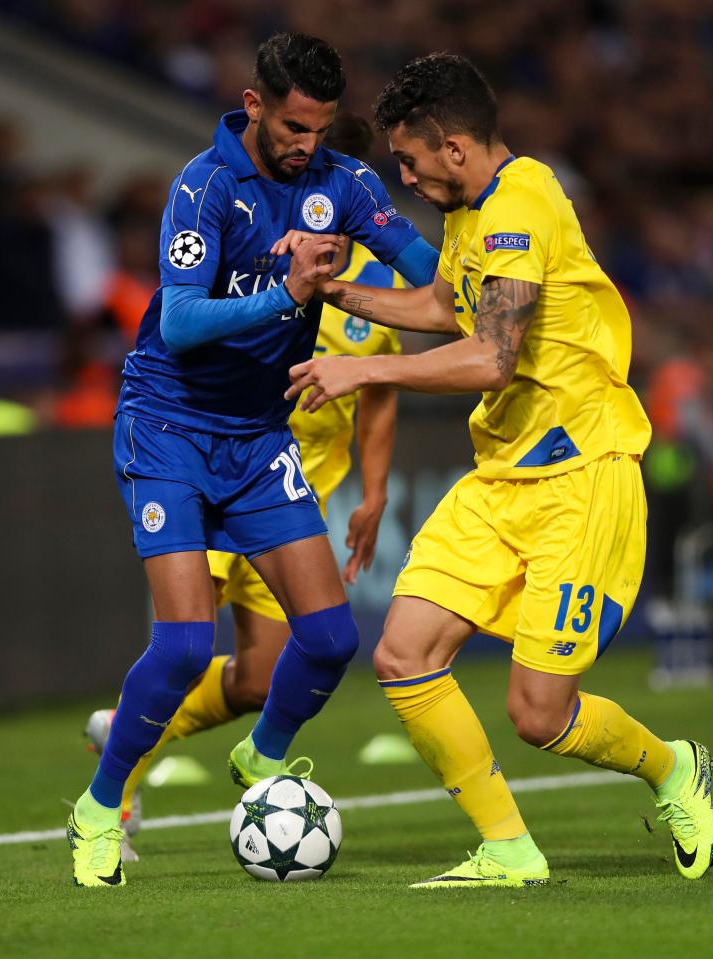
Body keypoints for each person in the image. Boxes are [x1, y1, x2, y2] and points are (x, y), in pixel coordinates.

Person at [286, 53, 713, 888]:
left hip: (582, 475)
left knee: (537, 713)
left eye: (409, 159)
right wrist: (334, 292)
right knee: (402, 650)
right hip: (502, 475)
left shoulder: (522, 202)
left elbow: (490, 355)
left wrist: (363, 369)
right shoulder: (469, 210)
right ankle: (509, 849)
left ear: (453, 147)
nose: (402, 176)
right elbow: (446, 309)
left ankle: (671, 767)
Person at [67, 34, 438, 888]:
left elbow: (429, 282)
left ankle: (259, 753)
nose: (308, 143)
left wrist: (444, 283)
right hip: (168, 427)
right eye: (296, 126)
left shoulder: (344, 186)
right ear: (255, 104)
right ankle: (99, 805)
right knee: (187, 642)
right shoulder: (202, 187)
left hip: (257, 436)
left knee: (331, 635)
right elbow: (180, 322)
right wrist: (290, 294)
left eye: (322, 128)